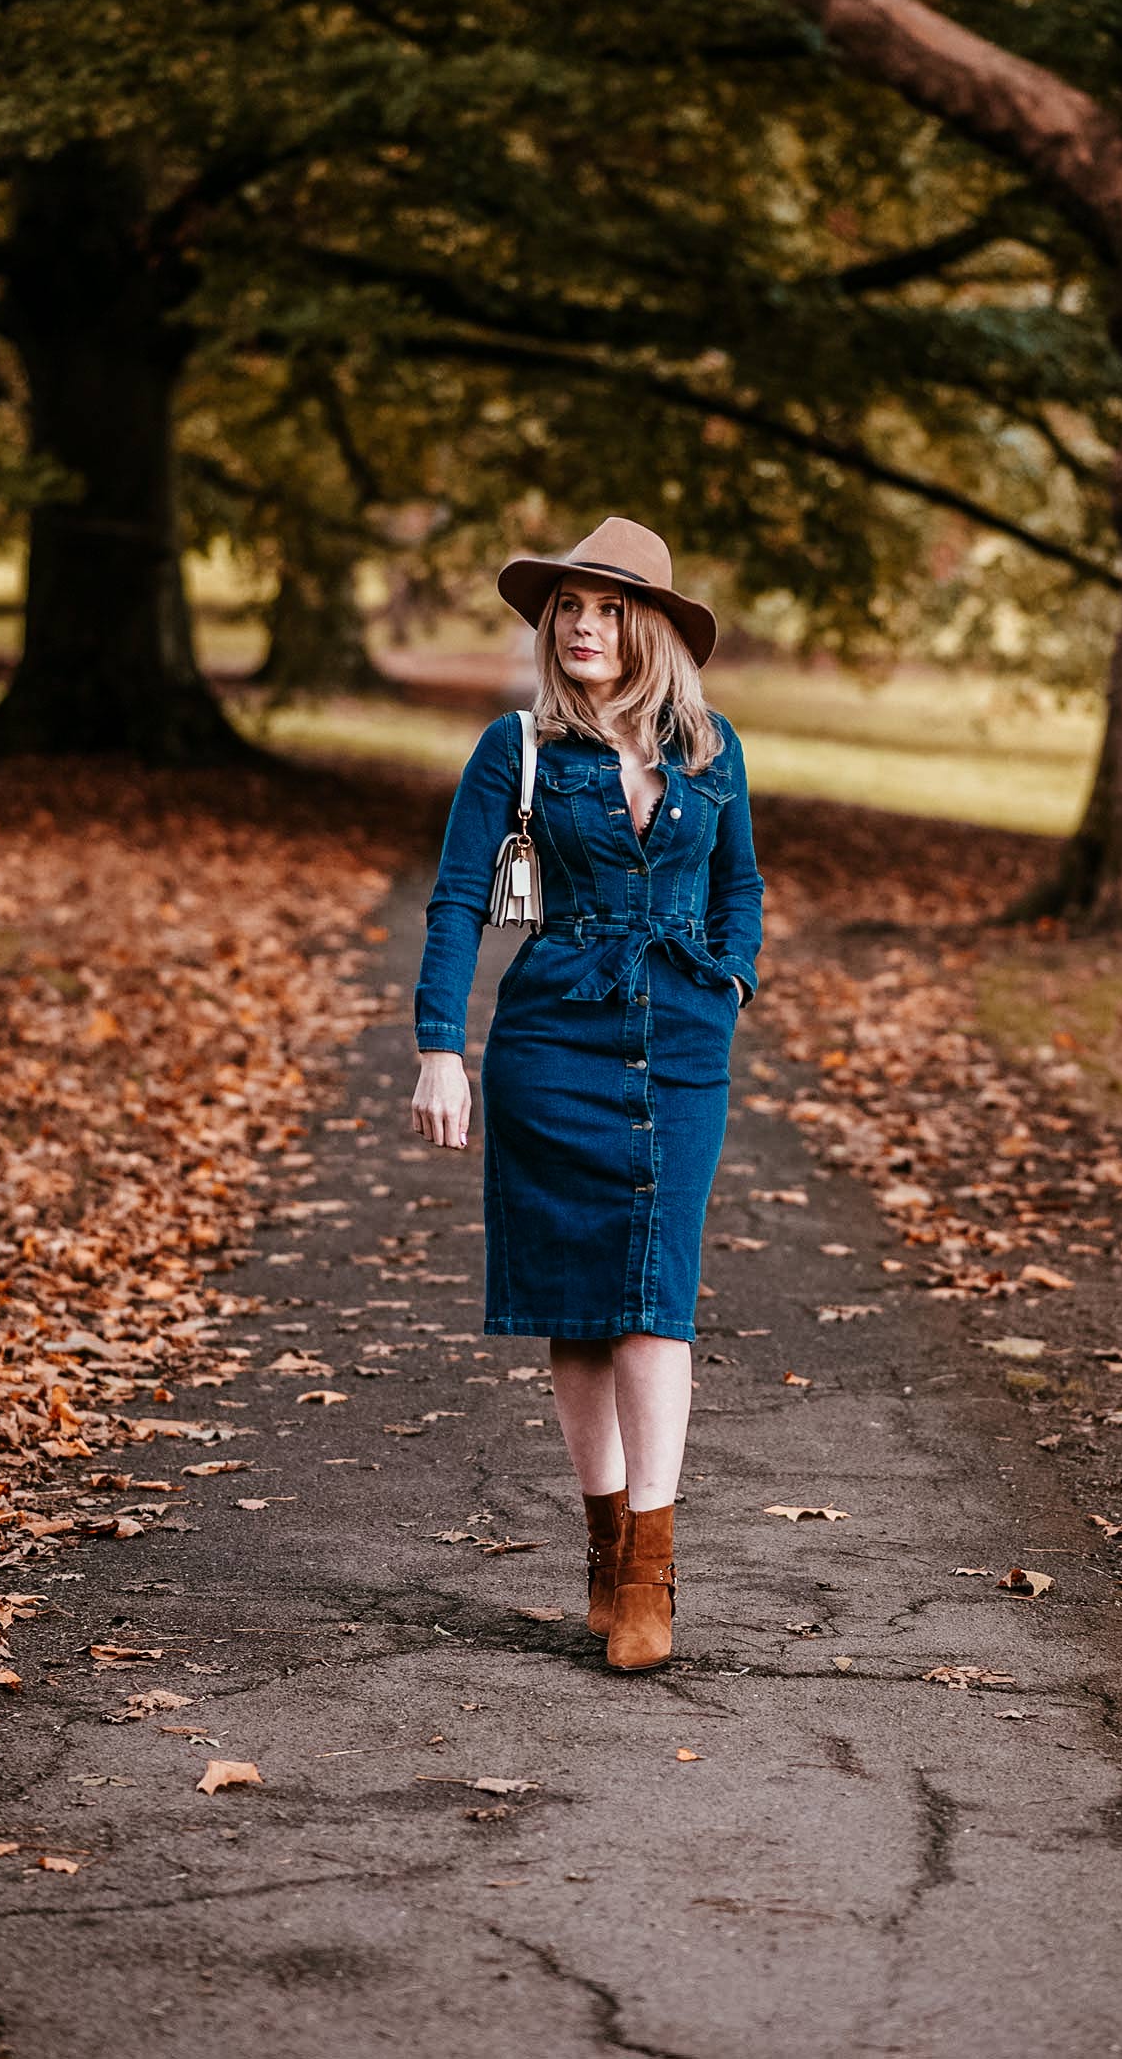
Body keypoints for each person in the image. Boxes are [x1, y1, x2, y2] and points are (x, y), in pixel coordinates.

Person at [409, 516, 764, 1670]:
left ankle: (652, 1574)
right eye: (568, 608)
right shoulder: (514, 751)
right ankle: (605, 1549)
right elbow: (460, 901)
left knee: (657, 1295)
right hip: (553, 1037)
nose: (583, 626)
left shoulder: (714, 751)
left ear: (650, 628)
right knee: (577, 1308)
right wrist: (439, 1050)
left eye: (609, 610)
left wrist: (733, 981)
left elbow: (741, 885)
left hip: (684, 1041)